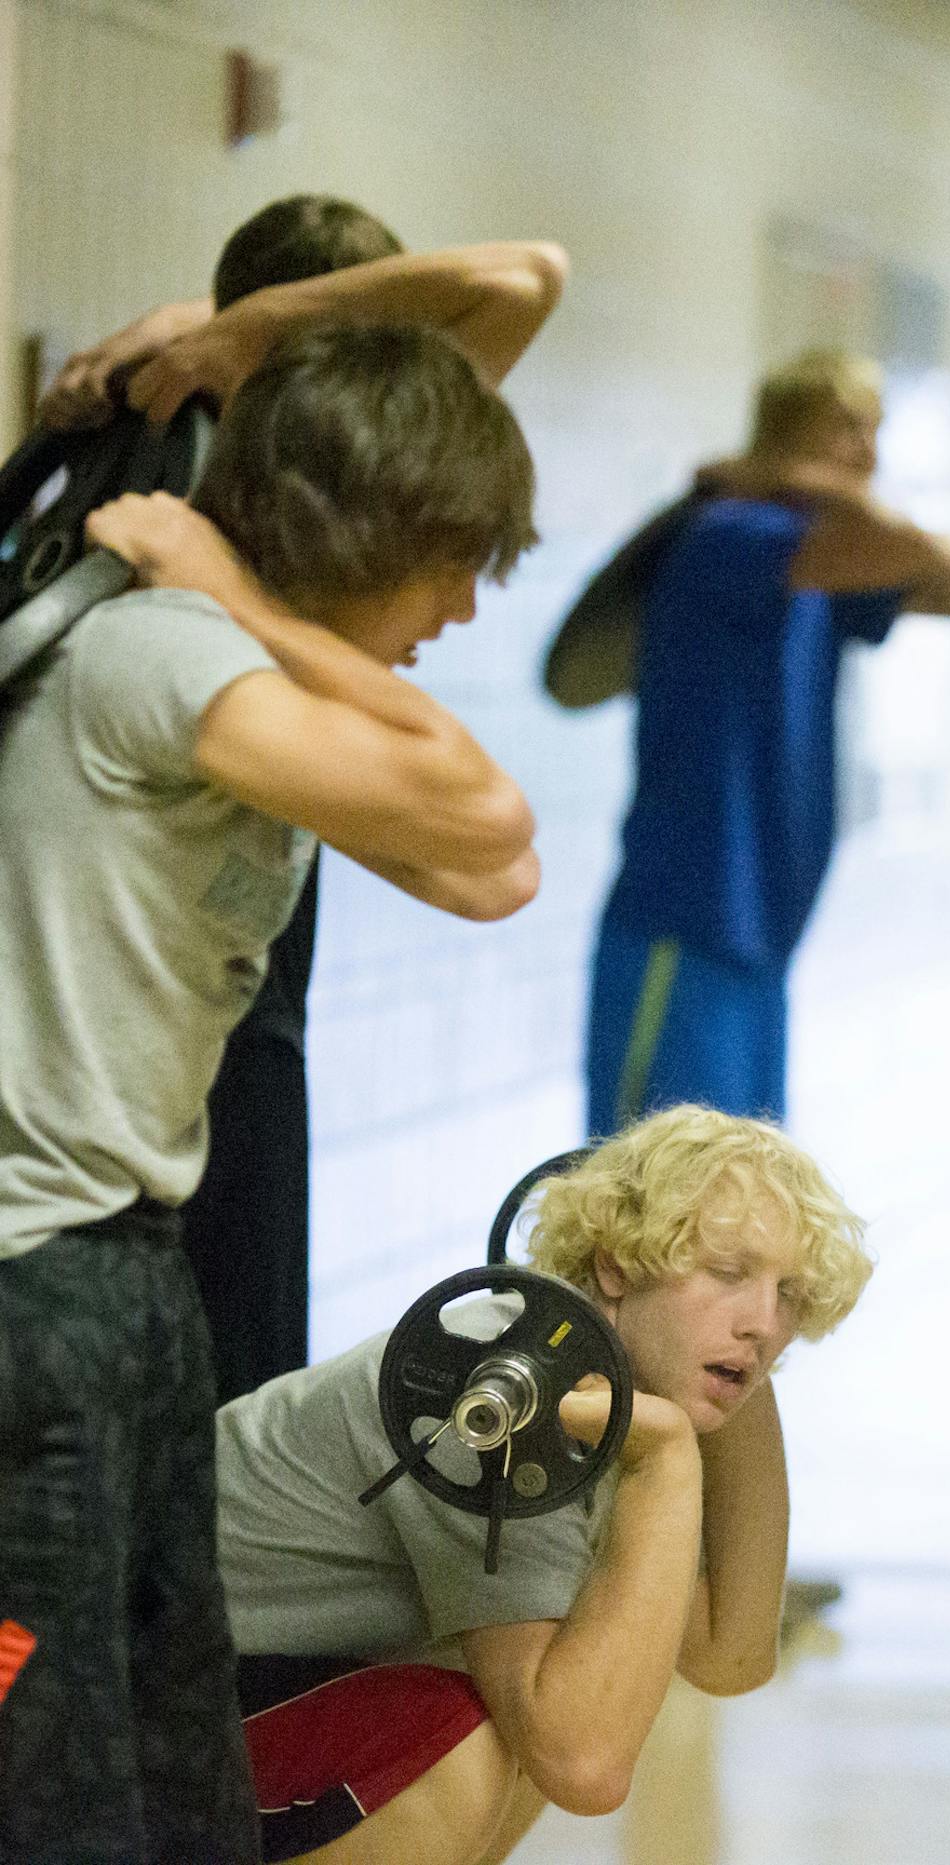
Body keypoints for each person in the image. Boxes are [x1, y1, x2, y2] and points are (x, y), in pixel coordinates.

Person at [0, 321, 541, 1863]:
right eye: (453, 566)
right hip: (32, 1296)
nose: (458, 609)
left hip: (123, 1281)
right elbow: (487, 804)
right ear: (372, 534)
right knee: (57, 1795)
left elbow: (494, 870)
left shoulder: (241, 672)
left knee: (186, 1779)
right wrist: (238, 600)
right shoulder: (169, 653)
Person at [38, 193, 569, 1407]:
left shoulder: (253, 560)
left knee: (233, 1417)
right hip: (67, 1229)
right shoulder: (177, 580)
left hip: (188, 1099)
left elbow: (496, 869)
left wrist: (226, 326)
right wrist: (234, 339)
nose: (456, 604)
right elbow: (522, 274)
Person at [214, 1103, 873, 1863]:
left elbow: (731, 1653)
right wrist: (667, 1461)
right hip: (101, 1719)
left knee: (537, 1694)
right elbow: (584, 1764)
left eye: (789, 1293)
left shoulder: (606, 1376)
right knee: (477, 1734)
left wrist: (727, 1387)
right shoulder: (493, 1388)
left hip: (219, 1696)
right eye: (728, 1273)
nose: (764, 1321)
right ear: (617, 1265)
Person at [545, 346, 950, 1135]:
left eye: (876, 431)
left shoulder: (819, 571)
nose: (868, 454)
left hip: (756, 947)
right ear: (788, 434)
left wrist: (806, 480)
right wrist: (795, 483)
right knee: (638, 1219)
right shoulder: (734, 536)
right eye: (847, 429)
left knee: (730, 1226)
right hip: (682, 929)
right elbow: (909, 548)